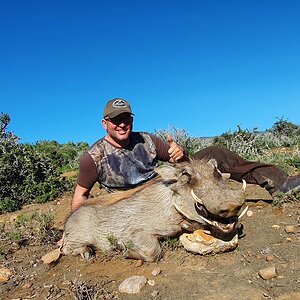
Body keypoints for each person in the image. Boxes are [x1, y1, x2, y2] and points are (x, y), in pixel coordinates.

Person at [71, 98, 300, 213]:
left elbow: (181, 162)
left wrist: (180, 153)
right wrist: (73, 228)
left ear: (132, 120)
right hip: (136, 204)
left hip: (166, 185)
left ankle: (279, 183)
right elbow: (81, 195)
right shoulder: (92, 157)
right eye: (115, 120)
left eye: (126, 119)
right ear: (105, 124)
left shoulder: (147, 140)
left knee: (215, 152)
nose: (122, 125)